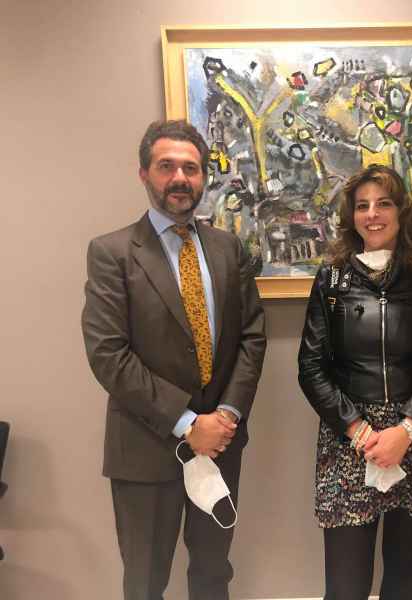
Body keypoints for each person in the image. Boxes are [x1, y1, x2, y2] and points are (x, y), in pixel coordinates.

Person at [81, 120, 267, 600]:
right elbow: (108, 354)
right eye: (167, 166)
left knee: (213, 573)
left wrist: (226, 416)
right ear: (144, 173)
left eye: (191, 168)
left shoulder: (228, 249)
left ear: (204, 176)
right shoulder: (112, 253)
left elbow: (252, 337)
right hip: (146, 447)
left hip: (221, 444)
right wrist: (187, 423)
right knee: (145, 582)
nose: (180, 178)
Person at [298, 164, 412, 600]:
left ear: (401, 210)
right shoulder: (331, 278)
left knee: (404, 577)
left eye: (383, 203)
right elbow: (311, 366)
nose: (372, 214)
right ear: (351, 215)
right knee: (345, 585)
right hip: (350, 437)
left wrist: (406, 429)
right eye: (362, 206)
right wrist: (358, 430)